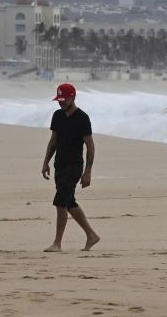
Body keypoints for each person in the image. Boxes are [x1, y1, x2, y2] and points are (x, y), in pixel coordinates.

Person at [41, 83, 100, 252]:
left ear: (73, 97)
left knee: (60, 202)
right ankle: (92, 236)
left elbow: (90, 146)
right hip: (59, 164)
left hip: (74, 166)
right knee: (69, 202)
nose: (60, 102)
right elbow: (53, 141)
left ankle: (57, 243)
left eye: (64, 99)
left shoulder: (82, 118)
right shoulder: (57, 116)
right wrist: (45, 162)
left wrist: (88, 171)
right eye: (58, 99)